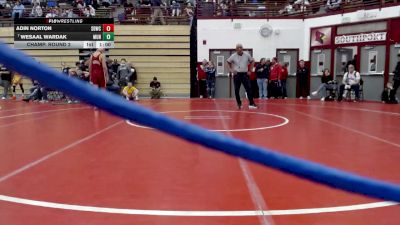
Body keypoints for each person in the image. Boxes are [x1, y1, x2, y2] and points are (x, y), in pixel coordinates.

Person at [227, 43, 257, 109]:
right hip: (237, 75)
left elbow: (252, 61)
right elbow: (228, 62)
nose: (240, 49)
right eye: (238, 48)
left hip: (244, 74)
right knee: (236, 89)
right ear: (236, 49)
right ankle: (239, 104)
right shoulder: (233, 56)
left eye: (241, 47)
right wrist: (231, 70)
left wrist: (250, 70)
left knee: (248, 89)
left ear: (242, 48)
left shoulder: (247, 55)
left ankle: (251, 103)